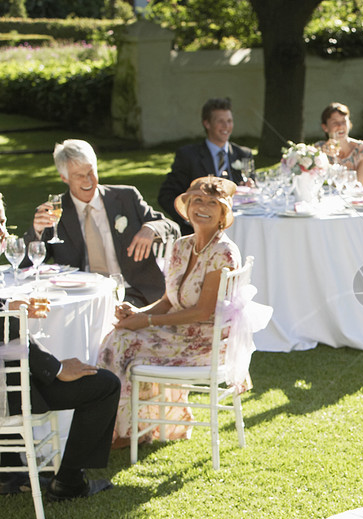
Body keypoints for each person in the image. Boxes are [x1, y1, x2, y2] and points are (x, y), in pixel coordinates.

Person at [98, 176, 243, 446]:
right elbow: (169, 300)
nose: (203, 207)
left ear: (223, 213)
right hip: (178, 332)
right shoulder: (181, 246)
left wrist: (147, 322)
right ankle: (130, 426)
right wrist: (137, 313)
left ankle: (125, 431)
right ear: (187, 207)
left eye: (212, 203)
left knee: (122, 343)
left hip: (205, 342)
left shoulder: (224, 253)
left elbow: (202, 312)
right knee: (117, 335)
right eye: (197, 200)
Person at [0, 194, 120, 501]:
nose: (3, 233)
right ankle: (68, 483)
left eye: (3, 222)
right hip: (7, 393)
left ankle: (10, 471)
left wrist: (11, 309)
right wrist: (54, 368)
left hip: (11, 377)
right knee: (105, 386)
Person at [24, 139, 179, 307]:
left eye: (91, 172)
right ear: (64, 178)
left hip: (133, 293)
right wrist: (37, 230)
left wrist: (151, 228)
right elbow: (27, 263)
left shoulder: (126, 197)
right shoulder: (55, 212)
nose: (88, 181)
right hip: (80, 299)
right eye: (79, 176)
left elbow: (172, 228)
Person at [158, 97, 254, 235]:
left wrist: (251, 187)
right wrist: (189, 218)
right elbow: (166, 195)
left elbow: (253, 191)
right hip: (200, 231)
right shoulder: (189, 156)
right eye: (220, 121)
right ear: (207, 124)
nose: (226, 126)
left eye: (229, 121)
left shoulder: (243, 154)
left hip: (242, 228)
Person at [314, 102, 363, 185]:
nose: (340, 126)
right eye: (335, 122)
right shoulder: (318, 149)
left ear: (349, 124)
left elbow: (359, 184)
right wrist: (322, 156)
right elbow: (314, 181)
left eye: (344, 121)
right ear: (325, 127)